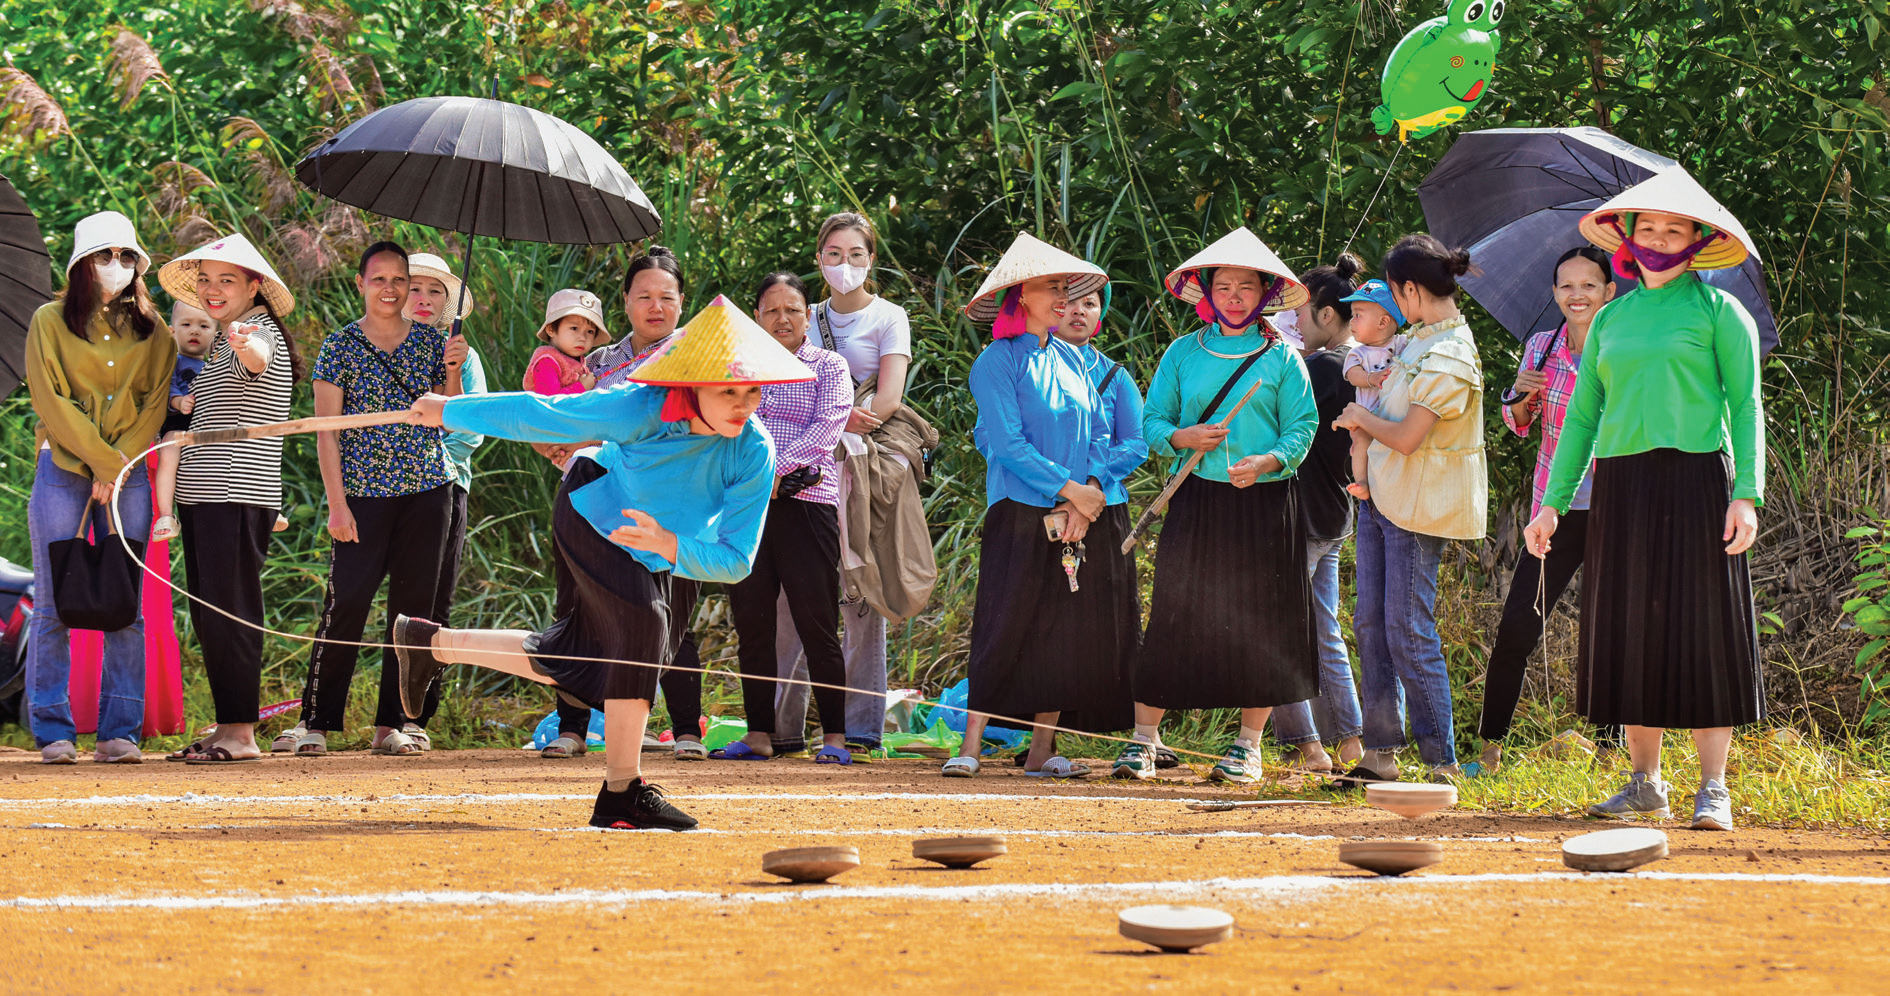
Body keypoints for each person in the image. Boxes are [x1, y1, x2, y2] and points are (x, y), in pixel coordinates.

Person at [391, 295, 799, 830]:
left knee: (579, 657)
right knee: (643, 628)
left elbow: (736, 560)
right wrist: (448, 409)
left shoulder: (754, 450)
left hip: (664, 544)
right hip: (594, 506)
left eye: (752, 392)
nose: (743, 404)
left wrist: (671, 545)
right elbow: (546, 413)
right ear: (691, 384)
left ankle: (428, 644)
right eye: (728, 390)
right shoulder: (639, 406)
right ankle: (622, 791)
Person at [1524, 171, 1765, 831]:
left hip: (1698, 481)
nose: (1660, 238)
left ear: (1696, 241)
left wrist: (1746, 494)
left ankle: (1713, 788)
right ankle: (1644, 782)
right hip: (1621, 486)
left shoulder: (1721, 313)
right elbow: (1580, 418)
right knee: (1632, 627)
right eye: (1649, 227)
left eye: (1675, 229)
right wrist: (1552, 503)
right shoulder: (1612, 318)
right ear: (1629, 238)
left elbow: (1745, 406)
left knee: (1705, 628)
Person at [1111, 227, 1319, 784]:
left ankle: (1248, 745)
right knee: (1176, 611)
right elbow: (1152, 422)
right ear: (1206, 291)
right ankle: (1144, 739)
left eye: (1245, 287)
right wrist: (1184, 438)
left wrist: (1268, 461)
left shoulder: (1284, 359)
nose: (1233, 296)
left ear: (1264, 295)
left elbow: (1304, 428)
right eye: (1223, 285)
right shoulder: (1183, 352)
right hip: (1196, 499)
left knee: (1264, 620)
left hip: (1265, 502)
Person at [944, 232, 1121, 779]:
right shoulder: (996, 361)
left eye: (1066, 287)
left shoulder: (1073, 359)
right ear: (1021, 295)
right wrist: (1071, 491)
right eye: (1051, 287)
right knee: (1003, 623)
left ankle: (1041, 750)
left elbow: (1098, 434)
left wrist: (1084, 500)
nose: (1064, 297)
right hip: (1017, 514)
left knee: (1059, 631)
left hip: (1073, 515)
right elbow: (1006, 443)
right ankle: (971, 747)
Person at [287, 241, 465, 758]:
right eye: (379, 279)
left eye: (399, 280)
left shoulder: (434, 343)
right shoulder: (339, 346)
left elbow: (449, 414)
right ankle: (317, 720)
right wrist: (337, 504)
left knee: (411, 614)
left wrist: (453, 369)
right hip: (362, 495)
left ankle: (393, 724)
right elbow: (326, 433)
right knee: (346, 605)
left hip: (428, 492)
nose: (390, 288)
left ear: (410, 287)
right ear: (361, 284)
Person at [1332, 234, 1489, 785]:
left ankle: (1440, 761)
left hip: (1418, 504)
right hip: (1382, 496)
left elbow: (1404, 437)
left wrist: (1358, 416)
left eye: (1396, 295)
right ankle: (1379, 753)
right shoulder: (1420, 339)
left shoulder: (1450, 353)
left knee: (1407, 627)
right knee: (1371, 622)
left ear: (1409, 289)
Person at [23, 210, 174, 764]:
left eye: (127, 256)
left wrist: (119, 467)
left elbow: (155, 404)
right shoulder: (48, 322)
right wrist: (102, 464)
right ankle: (52, 730)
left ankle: (119, 732)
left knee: (126, 603)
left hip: (130, 476)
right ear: (82, 263)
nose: (118, 265)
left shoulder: (154, 332)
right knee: (54, 605)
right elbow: (51, 400)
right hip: (62, 470)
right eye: (106, 255)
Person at [773, 212, 919, 755]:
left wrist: (845, 415)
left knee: (860, 591)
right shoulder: (800, 314)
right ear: (818, 259)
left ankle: (859, 727)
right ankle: (783, 726)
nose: (845, 264)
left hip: (863, 462)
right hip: (805, 465)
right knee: (793, 594)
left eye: (856, 254)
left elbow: (889, 395)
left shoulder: (890, 316)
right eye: (834, 254)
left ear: (871, 259)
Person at [154, 234, 302, 764]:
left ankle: (240, 734)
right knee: (211, 613)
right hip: (203, 497)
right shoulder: (219, 339)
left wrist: (245, 345)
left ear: (254, 286)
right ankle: (227, 727)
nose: (213, 290)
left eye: (227, 280)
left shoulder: (253, 332)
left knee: (230, 610)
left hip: (233, 494)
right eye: (207, 279)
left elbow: (258, 358)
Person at [1470, 246, 1618, 776]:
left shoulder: (1624, 348)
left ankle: (1611, 751)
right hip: (1552, 511)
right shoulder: (1542, 344)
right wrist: (1517, 395)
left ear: (1610, 291)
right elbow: (1518, 425)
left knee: (1610, 628)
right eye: (1566, 286)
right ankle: (1490, 751)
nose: (1577, 295)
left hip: (1618, 508)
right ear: (1555, 293)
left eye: (1589, 285)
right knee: (1518, 625)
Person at [984, 283, 1146, 765]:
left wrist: (1088, 486)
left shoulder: (1113, 374)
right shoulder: (1009, 361)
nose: (1078, 310)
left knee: (1095, 625)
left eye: (1091, 303)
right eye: (1070, 300)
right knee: (1031, 620)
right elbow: (993, 438)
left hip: (1101, 507)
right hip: (1032, 506)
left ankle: (1131, 741)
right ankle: (1037, 743)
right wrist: (1058, 486)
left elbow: (1134, 443)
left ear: (1101, 314)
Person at [558, 246, 708, 762]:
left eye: (666, 297)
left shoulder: (697, 357)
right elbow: (577, 418)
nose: (655, 306)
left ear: (682, 302)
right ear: (624, 301)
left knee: (671, 609)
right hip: (599, 499)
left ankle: (687, 728)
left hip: (673, 503)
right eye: (643, 296)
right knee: (579, 605)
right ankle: (574, 725)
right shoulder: (597, 361)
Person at [718, 272, 853, 763]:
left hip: (808, 505)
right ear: (756, 316)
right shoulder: (737, 367)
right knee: (751, 623)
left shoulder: (829, 366)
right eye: (772, 309)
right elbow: (722, 425)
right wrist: (758, 479)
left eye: (793, 309)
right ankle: (758, 735)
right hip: (745, 509)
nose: (782, 318)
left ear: (808, 315)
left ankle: (835, 738)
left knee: (817, 621)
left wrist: (770, 470)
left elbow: (826, 430)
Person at [1269, 253, 1368, 774]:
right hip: (1333, 513)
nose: (1294, 326)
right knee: (1322, 628)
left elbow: (1271, 401)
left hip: (1305, 515)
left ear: (1327, 315)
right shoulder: (1358, 364)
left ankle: (1307, 746)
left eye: (1300, 315)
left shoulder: (1325, 367)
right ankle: (1349, 742)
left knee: (1279, 624)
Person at [404, 252, 486, 737]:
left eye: (436, 292)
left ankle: (418, 717)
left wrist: (452, 371)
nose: (424, 299)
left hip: (446, 483)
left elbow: (470, 430)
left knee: (433, 603)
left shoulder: (464, 356)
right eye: (415, 288)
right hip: (383, 489)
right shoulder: (379, 346)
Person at [148, 300, 213, 544]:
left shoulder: (215, 366)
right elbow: (167, 387)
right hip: (178, 423)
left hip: (208, 426)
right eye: (186, 324)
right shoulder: (171, 361)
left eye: (204, 326)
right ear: (172, 332)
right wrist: (178, 402)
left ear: (215, 335)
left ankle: (262, 503)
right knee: (169, 450)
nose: (195, 330)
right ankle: (166, 515)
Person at [524, 288, 610, 468]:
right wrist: (581, 386)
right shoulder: (547, 361)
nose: (582, 337)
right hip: (557, 434)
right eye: (574, 328)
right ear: (551, 329)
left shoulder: (578, 361)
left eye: (590, 332)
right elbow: (549, 403)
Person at [1340, 280, 1407, 502]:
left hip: (1396, 417)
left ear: (1383, 321)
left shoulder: (1402, 344)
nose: (1351, 321)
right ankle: (1362, 482)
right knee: (1360, 442)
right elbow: (1352, 375)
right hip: (1366, 416)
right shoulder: (1357, 353)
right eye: (1352, 315)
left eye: (1358, 315)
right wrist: (1372, 378)